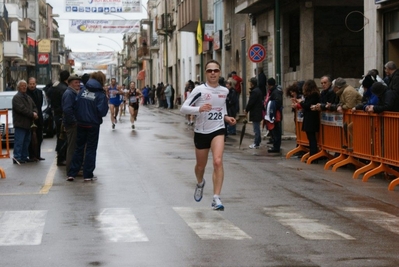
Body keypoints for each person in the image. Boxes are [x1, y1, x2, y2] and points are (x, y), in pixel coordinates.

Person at [180, 59, 236, 211]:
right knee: (200, 166)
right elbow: (183, 108)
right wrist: (199, 110)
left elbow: (221, 108)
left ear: (219, 73)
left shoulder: (224, 91)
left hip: (218, 129)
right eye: (210, 70)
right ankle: (200, 183)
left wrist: (226, 117)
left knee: (218, 161)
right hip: (201, 131)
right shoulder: (199, 90)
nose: (213, 73)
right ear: (205, 73)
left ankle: (216, 198)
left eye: (216, 70)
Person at [66, 71, 109, 181]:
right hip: (93, 124)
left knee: (78, 148)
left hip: (81, 123)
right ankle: (88, 174)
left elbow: (76, 104)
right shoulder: (100, 94)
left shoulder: (83, 90)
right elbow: (102, 111)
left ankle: (72, 173)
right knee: (90, 149)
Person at [12, 80, 38, 164]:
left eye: (25, 85)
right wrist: (32, 114)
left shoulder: (28, 97)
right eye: (22, 86)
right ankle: (17, 157)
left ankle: (24, 157)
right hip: (20, 124)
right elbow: (22, 109)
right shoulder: (16, 98)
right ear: (18, 87)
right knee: (19, 142)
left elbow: (34, 106)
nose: (24, 87)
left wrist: (35, 112)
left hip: (28, 124)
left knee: (26, 141)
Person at [47, 70, 69, 166]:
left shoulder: (55, 87)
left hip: (56, 113)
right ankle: (61, 158)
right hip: (62, 115)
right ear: (67, 78)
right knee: (63, 137)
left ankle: (60, 155)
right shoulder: (64, 89)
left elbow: (48, 94)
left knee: (60, 136)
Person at [295, 80, 321, 157]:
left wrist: (301, 102)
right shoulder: (309, 96)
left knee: (312, 138)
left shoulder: (314, 95)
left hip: (311, 119)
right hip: (308, 118)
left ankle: (313, 155)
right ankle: (312, 153)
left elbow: (307, 106)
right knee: (310, 138)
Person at [62, 75, 82, 176]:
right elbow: (67, 109)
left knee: (74, 147)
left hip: (73, 123)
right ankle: (70, 171)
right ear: (70, 83)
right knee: (72, 148)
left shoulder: (73, 92)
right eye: (76, 82)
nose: (78, 84)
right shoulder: (69, 93)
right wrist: (74, 122)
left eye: (79, 82)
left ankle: (74, 169)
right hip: (72, 125)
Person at [26, 77, 45, 161]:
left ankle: (38, 155)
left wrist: (38, 114)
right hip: (30, 118)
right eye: (30, 84)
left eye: (33, 84)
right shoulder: (26, 93)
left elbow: (40, 105)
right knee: (31, 138)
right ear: (28, 84)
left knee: (39, 137)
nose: (32, 85)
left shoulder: (39, 92)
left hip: (39, 117)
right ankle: (31, 155)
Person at [244, 77, 263, 149]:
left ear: (252, 83)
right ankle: (258, 141)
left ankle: (256, 143)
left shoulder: (255, 92)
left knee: (256, 128)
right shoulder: (258, 90)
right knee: (256, 127)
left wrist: (246, 109)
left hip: (256, 112)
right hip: (257, 111)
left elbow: (251, 102)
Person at [265, 78, 283, 153]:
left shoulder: (275, 92)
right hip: (274, 114)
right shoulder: (275, 91)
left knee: (276, 131)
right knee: (275, 131)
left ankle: (276, 147)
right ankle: (275, 146)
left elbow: (277, 102)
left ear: (269, 84)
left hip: (274, 114)